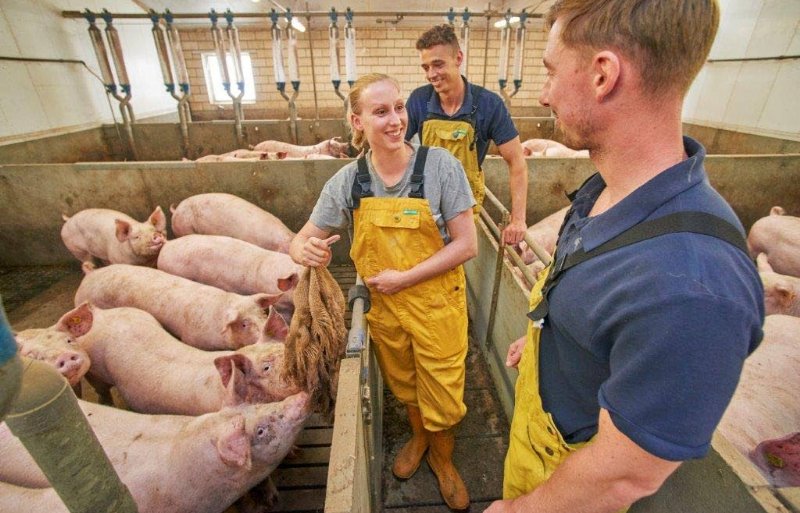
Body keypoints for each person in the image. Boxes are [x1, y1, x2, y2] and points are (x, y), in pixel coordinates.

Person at [486, 1, 765, 512]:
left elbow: (621, 477)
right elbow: (592, 302)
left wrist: (517, 510)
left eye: (550, 71)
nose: (544, 93)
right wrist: (553, 343)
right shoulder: (606, 190)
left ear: (602, 75)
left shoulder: (692, 285)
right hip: (538, 434)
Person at [289, 73, 478, 511]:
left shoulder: (440, 167)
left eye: (398, 107)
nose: (395, 120)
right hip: (387, 309)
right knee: (406, 384)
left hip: (436, 305)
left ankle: (444, 461)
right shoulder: (348, 181)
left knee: (444, 391)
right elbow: (299, 240)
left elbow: (467, 245)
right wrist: (307, 248)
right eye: (381, 112)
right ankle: (417, 439)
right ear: (357, 122)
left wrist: (405, 278)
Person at [406, 24, 528, 246]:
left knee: (456, 264)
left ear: (458, 58)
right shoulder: (418, 100)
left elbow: (516, 161)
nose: (431, 74)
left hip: (465, 203)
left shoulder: (489, 104)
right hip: (425, 200)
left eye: (438, 64)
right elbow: (396, 147)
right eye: (425, 67)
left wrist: (518, 219)